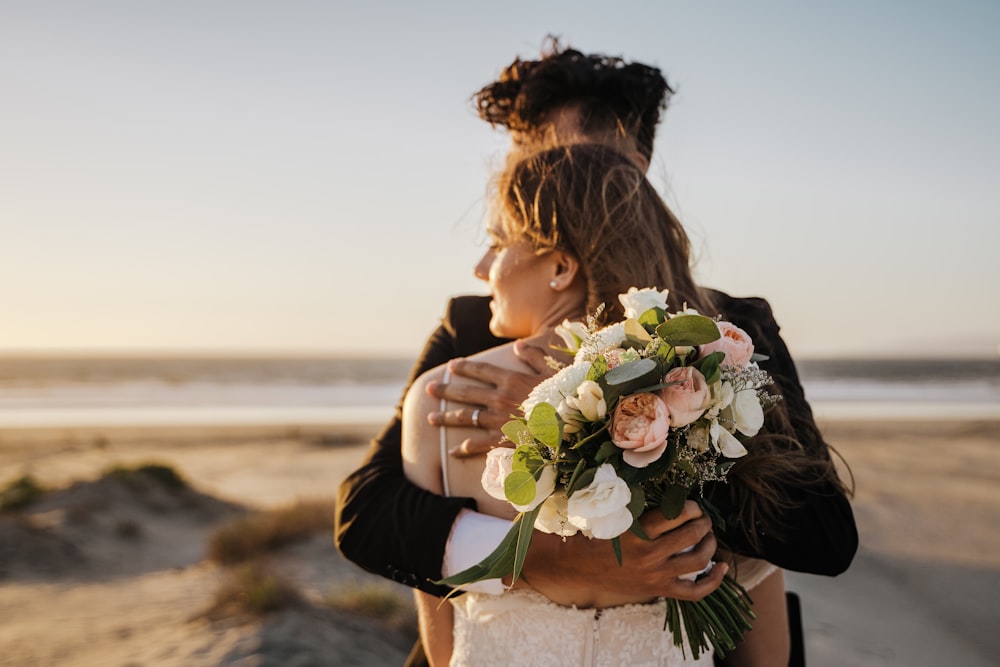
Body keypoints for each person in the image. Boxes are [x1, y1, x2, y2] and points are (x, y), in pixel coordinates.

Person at [334, 40, 856, 664]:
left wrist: (616, 443)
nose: (536, 185)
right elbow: (366, 512)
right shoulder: (472, 326)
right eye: (524, 167)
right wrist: (551, 563)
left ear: (630, 170)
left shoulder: (732, 330)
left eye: (563, 161)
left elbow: (821, 534)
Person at [404, 143, 801, 665]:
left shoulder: (436, 397)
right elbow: (765, 653)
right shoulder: (698, 390)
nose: (481, 268)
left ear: (561, 266)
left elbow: (440, 639)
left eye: (497, 243)